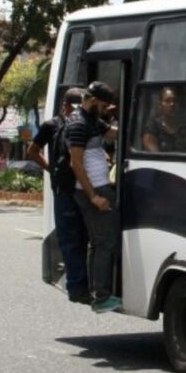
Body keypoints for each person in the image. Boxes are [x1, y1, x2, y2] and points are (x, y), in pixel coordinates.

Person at [28, 87, 89, 303]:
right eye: (73, 106)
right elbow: (32, 152)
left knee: (85, 237)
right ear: (65, 105)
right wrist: (51, 168)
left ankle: (84, 282)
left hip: (86, 188)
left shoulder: (86, 123)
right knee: (70, 238)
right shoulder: (51, 125)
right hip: (64, 189)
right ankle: (76, 285)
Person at [69, 80, 122, 312]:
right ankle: (101, 296)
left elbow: (113, 133)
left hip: (100, 187)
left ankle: (97, 292)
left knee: (98, 243)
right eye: (102, 105)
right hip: (93, 191)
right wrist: (93, 196)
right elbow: (76, 164)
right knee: (105, 243)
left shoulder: (92, 120)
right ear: (90, 100)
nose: (104, 110)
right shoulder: (79, 124)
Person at [142, 86, 186, 153]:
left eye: (175, 100)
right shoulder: (152, 128)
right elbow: (155, 156)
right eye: (167, 101)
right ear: (160, 105)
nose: (172, 104)